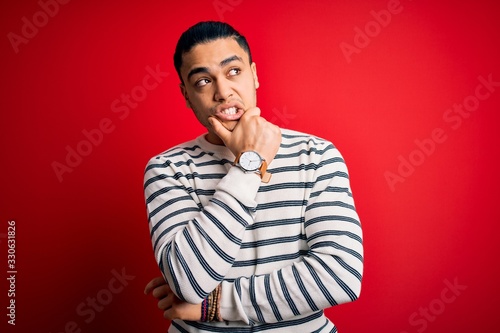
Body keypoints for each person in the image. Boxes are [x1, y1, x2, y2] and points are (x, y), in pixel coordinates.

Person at [143, 21, 363, 332]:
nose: (223, 92)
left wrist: (214, 304)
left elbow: (341, 277)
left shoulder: (317, 155)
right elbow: (188, 282)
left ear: (255, 75)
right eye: (204, 81)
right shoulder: (167, 168)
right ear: (187, 95)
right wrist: (249, 165)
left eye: (234, 71)